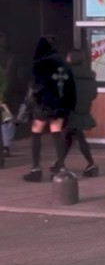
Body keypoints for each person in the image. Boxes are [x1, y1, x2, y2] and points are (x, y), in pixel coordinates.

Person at [23, 37, 76, 183]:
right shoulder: (64, 64)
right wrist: (69, 106)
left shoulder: (39, 64)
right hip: (60, 104)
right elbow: (71, 88)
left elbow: (34, 86)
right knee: (56, 132)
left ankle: (35, 168)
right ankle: (60, 168)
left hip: (42, 104)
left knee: (36, 133)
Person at [54, 48, 99, 177]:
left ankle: (62, 164)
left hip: (68, 111)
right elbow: (93, 94)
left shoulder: (66, 74)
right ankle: (61, 162)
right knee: (74, 135)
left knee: (68, 136)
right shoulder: (90, 75)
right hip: (83, 110)